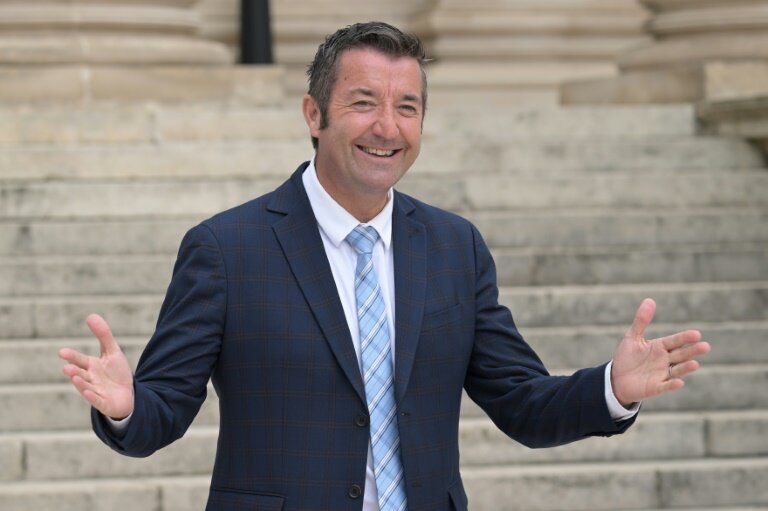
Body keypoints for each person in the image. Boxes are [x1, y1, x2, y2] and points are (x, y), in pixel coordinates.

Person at [59, 21, 711, 511]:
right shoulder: (228, 249)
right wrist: (125, 405)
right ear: (314, 114)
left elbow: (521, 402)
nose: (387, 127)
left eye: (407, 107)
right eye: (364, 101)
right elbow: (163, 410)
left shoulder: (456, 247)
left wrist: (612, 387)